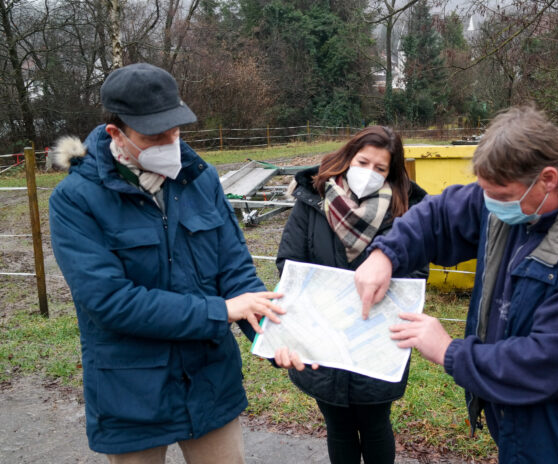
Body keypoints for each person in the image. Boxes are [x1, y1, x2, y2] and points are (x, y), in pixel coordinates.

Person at [354, 106, 558, 463]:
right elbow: (441, 214)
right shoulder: (516, 194)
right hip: (529, 427)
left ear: (548, 178)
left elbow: (546, 363)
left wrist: (448, 351)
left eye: (499, 195)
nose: (489, 203)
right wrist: (386, 254)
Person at [49, 62, 285, 463]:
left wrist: (278, 338)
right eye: (155, 135)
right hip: (130, 392)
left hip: (210, 381)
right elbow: (110, 301)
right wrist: (220, 311)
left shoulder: (201, 179)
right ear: (116, 134)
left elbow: (235, 269)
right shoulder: (75, 200)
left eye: (175, 129)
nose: (170, 141)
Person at [273, 126, 428, 464]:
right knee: (338, 425)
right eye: (363, 162)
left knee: (375, 423)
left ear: (392, 173)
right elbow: (288, 264)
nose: (369, 173)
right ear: (348, 159)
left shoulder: (407, 212)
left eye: (380, 168)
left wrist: (382, 285)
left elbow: (416, 274)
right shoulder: (312, 200)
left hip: (376, 337)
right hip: (321, 334)